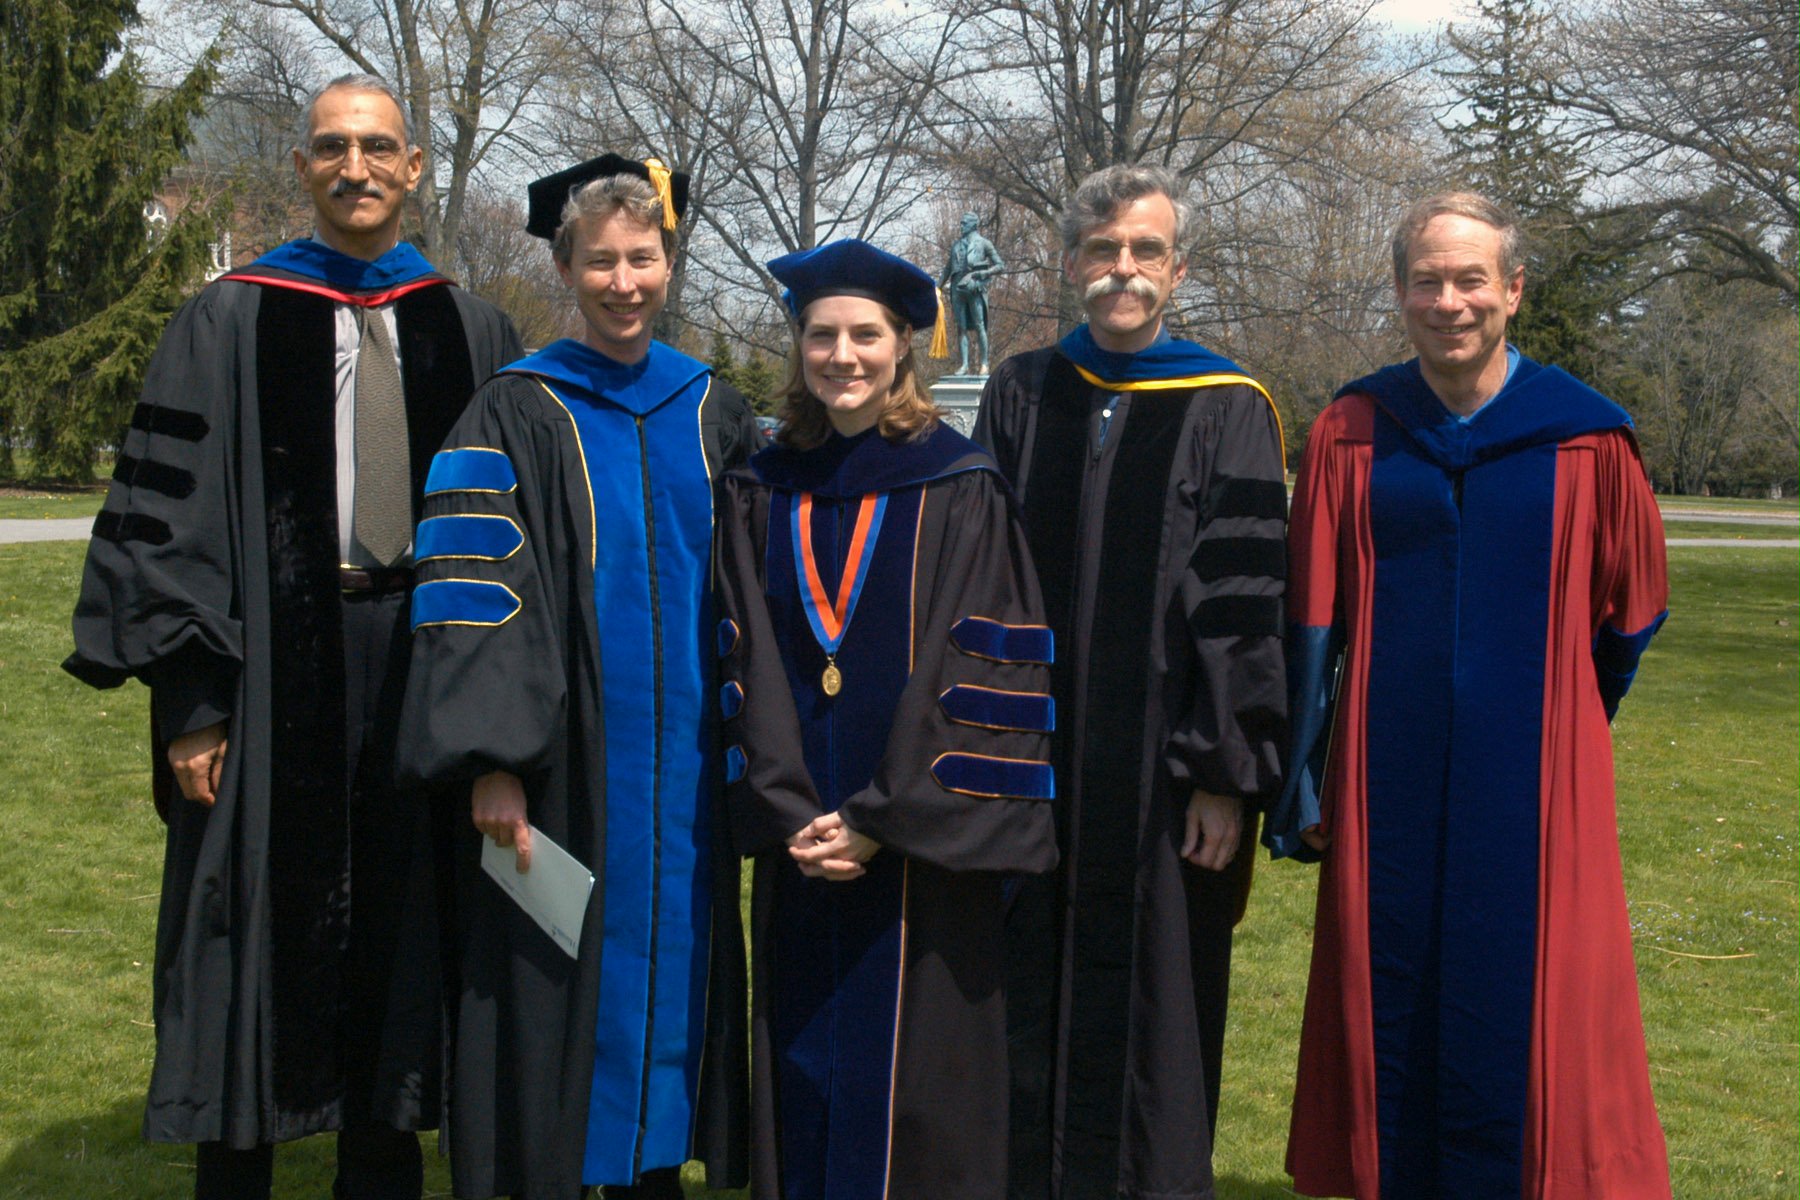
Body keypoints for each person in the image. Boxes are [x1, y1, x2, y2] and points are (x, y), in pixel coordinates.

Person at [63, 73, 520, 1199]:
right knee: (255, 922)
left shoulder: (473, 326)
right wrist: (192, 706)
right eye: (331, 147)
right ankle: (239, 1164)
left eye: (377, 147)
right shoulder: (228, 316)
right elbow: (168, 530)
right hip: (269, 662)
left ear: (414, 168)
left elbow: (516, 539)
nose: (354, 167)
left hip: (428, 663)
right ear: (303, 168)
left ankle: (383, 1158)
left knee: (412, 918)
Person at [1266, 192, 1671, 1199]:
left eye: (1471, 279)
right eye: (1427, 280)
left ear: (1513, 290)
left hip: (1534, 770)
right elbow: (1313, 618)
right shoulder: (1355, 429)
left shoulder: (1584, 438)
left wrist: (1572, 721)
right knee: (1388, 985)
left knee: (1532, 991)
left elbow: (1630, 612)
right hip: (1383, 767)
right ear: (1401, 292)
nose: (1449, 301)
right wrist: (1303, 776)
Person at [393, 153, 758, 1199]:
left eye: (643, 258)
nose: (623, 282)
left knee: (675, 970)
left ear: (670, 261)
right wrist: (492, 762)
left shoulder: (713, 411)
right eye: (600, 262)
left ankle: (650, 1171)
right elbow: (472, 595)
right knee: (553, 980)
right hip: (561, 767)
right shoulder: (512, 411)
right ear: (565, 269)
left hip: (688, 776)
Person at [714, 238, 1059, 1199]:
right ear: (799, 347)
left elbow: (979, 665)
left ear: (904, 345)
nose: (843, 355)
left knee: (925, 1098)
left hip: (922, 858)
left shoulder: (960, 486)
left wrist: (878, 817)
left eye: (866, 334)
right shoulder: (760, 485)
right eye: (821, 335)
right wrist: (790, 810)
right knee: (804, 1066)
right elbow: (741, 653)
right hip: (805, 847)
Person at [975, 163, 1287, 1199]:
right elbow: (975, 579)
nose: (1124, 270)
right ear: (1070, 264)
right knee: (1015, 976)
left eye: (1145, 252)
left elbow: (1244, 607)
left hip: (1162, 771)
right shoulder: (1021, 390)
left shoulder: (1228, 404)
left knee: (1162, 993)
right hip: (1030, 763)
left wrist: (1225, 774)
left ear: (1179, 268)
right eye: (1103, 251)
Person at [939, 212, 1005, 374]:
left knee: (980, 325)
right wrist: (937, 286)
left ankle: (984, 363)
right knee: (961, 328)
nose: (961, 226)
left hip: (975, 288)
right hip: (957, 289)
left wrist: (984, 274)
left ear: (973, 225)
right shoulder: (956, 245)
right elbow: (948, 268)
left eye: (964, 223)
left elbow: (1000, 265)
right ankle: (964, 365)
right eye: (961, 223)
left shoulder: (984, 243)